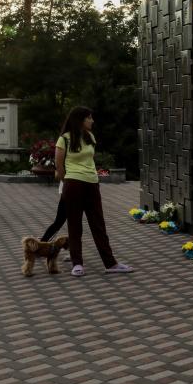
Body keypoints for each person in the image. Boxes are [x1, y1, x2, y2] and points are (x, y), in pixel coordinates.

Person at [55, 106, 132, 277]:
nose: (92, 121)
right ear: (80, 120)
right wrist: (66, 181)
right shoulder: (64, 139)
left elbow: (90, 161)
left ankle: (110, 263)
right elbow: (59, 166)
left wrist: (92, 178)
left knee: (98, 224)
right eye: (89, 118)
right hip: (73, 184)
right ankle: (77, 264)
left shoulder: (90, 137)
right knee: (75, 225)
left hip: (92, 183)